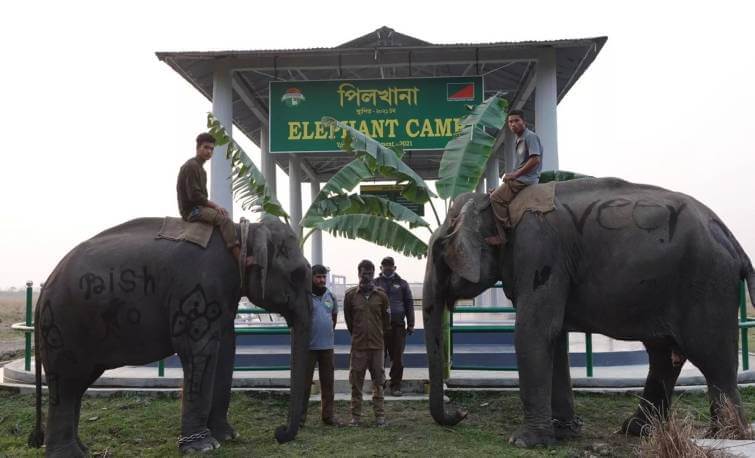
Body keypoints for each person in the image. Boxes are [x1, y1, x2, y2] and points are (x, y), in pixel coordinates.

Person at [176, 132, 250, 265]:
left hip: (199, 207)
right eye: (205, 147)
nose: (209, 151)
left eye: (211, 149)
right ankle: (240, 258)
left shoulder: (200, 169)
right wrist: (215, 206)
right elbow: (194, 196)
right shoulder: (191, 167)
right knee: (224, 219)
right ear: (198, 148)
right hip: (192, 210)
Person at [344, 260, 391, 427]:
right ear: (358, 274)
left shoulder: (382, 296)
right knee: (356, 384)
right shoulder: (350, 296)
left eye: (370, 273)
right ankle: (355, 417)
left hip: (377, 347)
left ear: (373, 274)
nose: (367, 277)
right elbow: (350, 323)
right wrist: (359, 335)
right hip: (358, 347)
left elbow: (386, 322)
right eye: (364, 273)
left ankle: (380, 417)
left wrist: (377, 335)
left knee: (379, 383)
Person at [486, 109, 543, 246]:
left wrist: (515, 174)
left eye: (517, 121)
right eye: (510, 122)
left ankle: (503, 234)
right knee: (496, 192)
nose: (513, 124)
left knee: (495, 198)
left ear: (523, 121)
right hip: (520, 179)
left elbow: (535, 159)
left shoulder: (530, 136)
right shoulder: (519, 139)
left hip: (526, 179)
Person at [301, 264, 339, 427]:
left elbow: (334, 318)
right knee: (304, 385)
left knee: (328, 383)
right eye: (318, 276)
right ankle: (300, 418)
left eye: (324, 277)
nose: (322, 280)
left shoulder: (331, 296)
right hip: (308, 348)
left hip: (327, 348)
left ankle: (328, 416)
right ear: (311, 277)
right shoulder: (304, 296)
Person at [374, 256, 414, 397]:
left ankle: (395, 386)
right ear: (381, 268)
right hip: (379, 327)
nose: (388, 267)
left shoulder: (402, 284)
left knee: (397, 358)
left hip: (398, 326)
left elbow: (409, 304)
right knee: (378, 358)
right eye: (385, 265)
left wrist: (411, 323)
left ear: (394, 267)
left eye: (390, 265)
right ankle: (379, 385)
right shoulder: (375, 283)